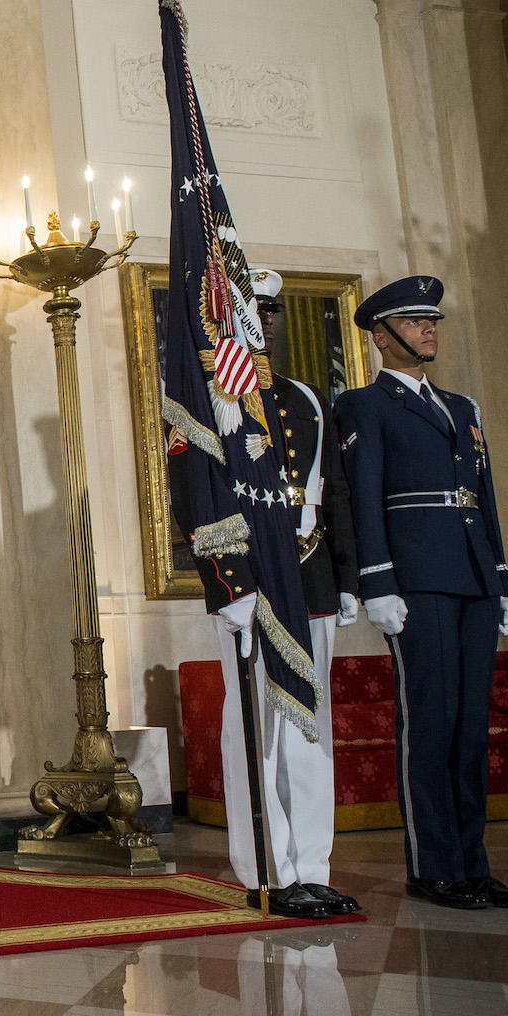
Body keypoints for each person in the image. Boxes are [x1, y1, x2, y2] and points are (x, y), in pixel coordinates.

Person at [335, 275, 508, 910]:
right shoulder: (364, 405)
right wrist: (377, 582)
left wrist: (499, 579)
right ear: (380, 336)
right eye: (415, 322)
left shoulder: (462, 408)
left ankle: (472, 864)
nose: (428, 330)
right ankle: (433, 865)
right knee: (431, 722)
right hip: (417, 581)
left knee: (471, 729)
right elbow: (363, 495)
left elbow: (482, 497)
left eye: (432, 322)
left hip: (471, 577)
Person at [207, 270, 362, 920]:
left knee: (310, 729)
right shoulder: (215, 400)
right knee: (256, 730)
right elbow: (206, 499)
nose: (264, 321)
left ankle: (313, 868)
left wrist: (348, 579)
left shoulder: (305, 398)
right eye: (254, 310)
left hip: (311, 576)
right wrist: (228, 583)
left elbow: (333, 492)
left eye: (271, 311)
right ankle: (268, 870)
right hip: (253, 581)